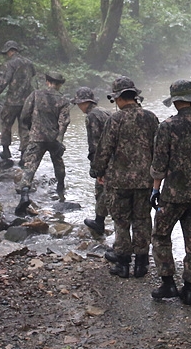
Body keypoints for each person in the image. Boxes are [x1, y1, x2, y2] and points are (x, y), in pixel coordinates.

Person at [150, 80, 191, 306]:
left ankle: (168, 282)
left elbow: (160, 163)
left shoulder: (167, 126)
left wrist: (155, 189)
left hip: (173, 194)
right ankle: (189, 289)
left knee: (160, 235)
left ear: (175, 101)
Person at [92, 77, 159, 279]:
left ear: (119, 98)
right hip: (146, 180)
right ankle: (141, 264)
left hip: (119, 182)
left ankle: (122, 265)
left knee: (121, 222)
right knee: (142, 220)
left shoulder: (115, 120)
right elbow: (159, 148)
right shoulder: (151, 117)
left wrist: (97, 171)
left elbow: (104, 149)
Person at [15, 72, 70, 215]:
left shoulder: (35, 95)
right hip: (53, 139)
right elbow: (64, 122)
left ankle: (25, 195)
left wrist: (30, 128)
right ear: (60, 84)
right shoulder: (63, 99)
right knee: (58, 163)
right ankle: (60, 189)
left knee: (30, 167)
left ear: (47, 81)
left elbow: (24, 115)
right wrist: (59, 140)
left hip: (36, 137)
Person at [72, 87, 112, 235]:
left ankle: (99, 223)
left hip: (105, 158)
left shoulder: (92, 116)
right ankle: (102, 221)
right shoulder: (105, 111)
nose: (78, 107)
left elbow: (95, 143)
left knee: (101, 190)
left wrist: (96, 167)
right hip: (114, 156)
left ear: (84, 102)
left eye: (78, 103)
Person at [0, 41, 36, 161]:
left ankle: (6, 151)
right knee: (24, 126)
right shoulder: (29, 63)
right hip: (27, 100)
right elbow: (33, 75)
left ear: (11, 51)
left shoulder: (11, 64)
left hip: (12, 101)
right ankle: (23, 155)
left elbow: (4, 82)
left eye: (7, 52)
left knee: (6, 124)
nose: (7, 55)